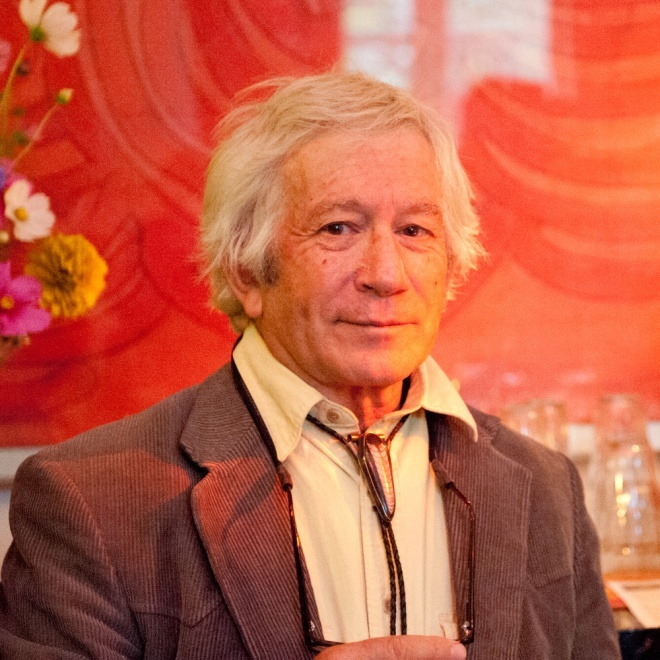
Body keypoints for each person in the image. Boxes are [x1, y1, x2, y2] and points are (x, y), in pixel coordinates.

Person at [0, 71, 620, 659]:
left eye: (414, 231)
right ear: (248, 271)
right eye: (338, 227)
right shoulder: (90, 500)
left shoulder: (547, 489)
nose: (385, 274)